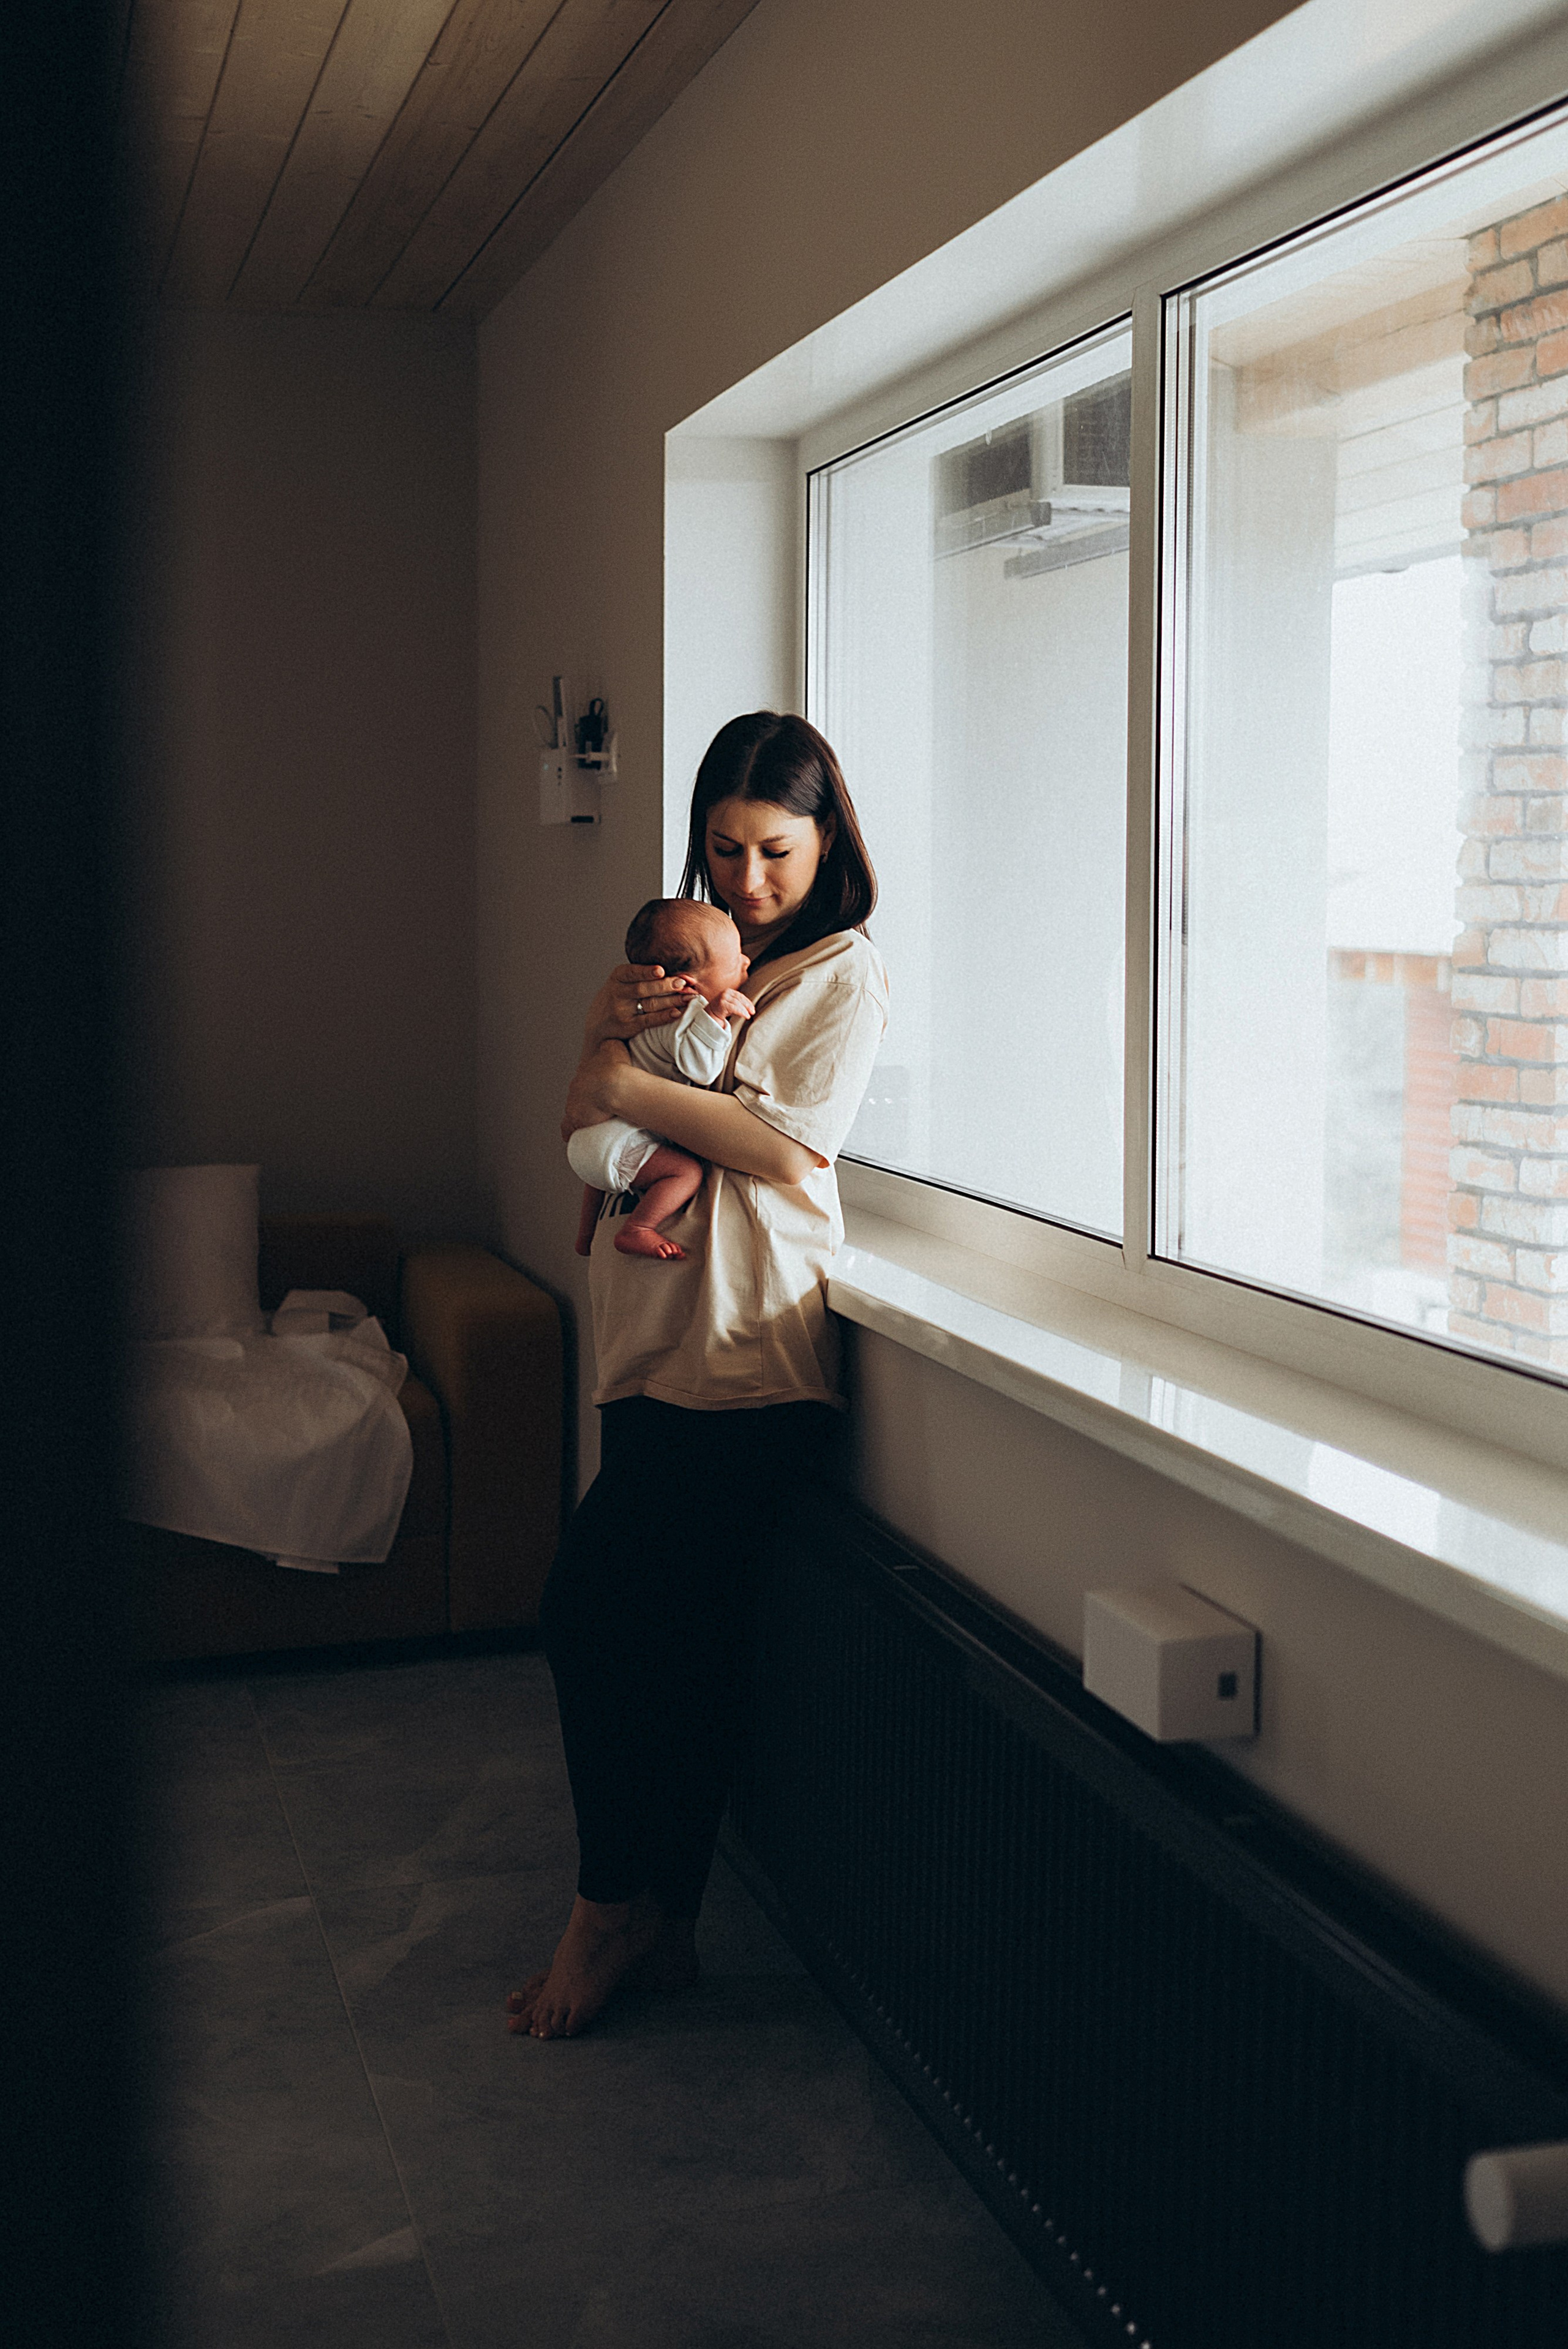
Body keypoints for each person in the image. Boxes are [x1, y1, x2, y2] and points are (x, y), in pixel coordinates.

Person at [508, 710, 888, 2040]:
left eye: (774, 851)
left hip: (737, 1363)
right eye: (724, 850)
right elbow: (576, 1114)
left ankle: (607, 1907)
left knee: (585, 1613)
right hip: (647, 1346)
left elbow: (785, 1152)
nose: (746, 879)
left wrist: (618, 1072)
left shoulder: (835, 973)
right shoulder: (687, 959)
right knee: (675, 1648)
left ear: (826, 836)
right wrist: (605, 1064)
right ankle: (665, 1925)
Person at [568, 897, 755, 1262]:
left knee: (599, 1169)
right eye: (736, 960)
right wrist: (716, 1016)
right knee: (686, 1173)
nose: (746, 962)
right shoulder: (686, 1013)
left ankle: (587, 1233)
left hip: (586, 1143)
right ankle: (638, 1228)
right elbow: (701, 1069)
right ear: (688, 984)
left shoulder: (642, 1012)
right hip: (614, 1144)